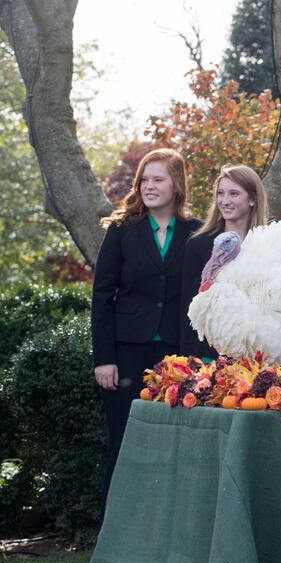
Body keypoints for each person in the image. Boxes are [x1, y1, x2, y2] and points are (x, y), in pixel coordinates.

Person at [92, 148, 201, 504]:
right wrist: (103, 358)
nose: (149, 186)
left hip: (176, 353)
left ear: (177, 184)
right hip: (126, 353)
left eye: (158, 179)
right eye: (144, 179)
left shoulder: (197, 233)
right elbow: (102, 296)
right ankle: (112, 530)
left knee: (173, 442)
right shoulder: (122, 231)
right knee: (124, 440)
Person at [179, 165, 268, 360]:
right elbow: (188, 308)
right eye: (220, 193)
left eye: (234, 194)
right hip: (208, 356)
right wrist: (190, 361)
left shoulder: (268, 245)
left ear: (252, 199)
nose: (225, 201)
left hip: (258, 357)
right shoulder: (199, 245)